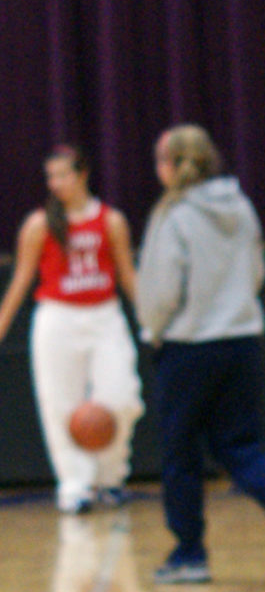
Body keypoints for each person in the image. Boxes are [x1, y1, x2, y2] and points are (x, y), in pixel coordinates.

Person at [135, 124, 265, 584]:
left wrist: (153, 331)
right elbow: (256, 270)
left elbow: (160, 289)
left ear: (175, 165)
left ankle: (189, 554)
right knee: (240, 445)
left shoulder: (172, 214)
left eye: (161, 160)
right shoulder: (240, 206)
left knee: (181, 454)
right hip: (241, 343)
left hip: (188, 348)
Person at [0, 144, 144, 514]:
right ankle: (74, 485)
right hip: (57, 317)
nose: (56, 182)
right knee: (59, 403)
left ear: (82, 174)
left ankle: (110, 478)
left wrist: (151, 322)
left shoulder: (111, 220)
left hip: (104, 315)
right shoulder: (39, 224)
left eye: (63, 174)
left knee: (122, 398)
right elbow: (21, 280)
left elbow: (129, 276)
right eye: (51, 176)